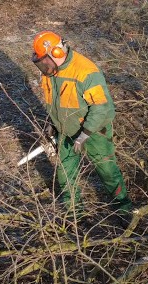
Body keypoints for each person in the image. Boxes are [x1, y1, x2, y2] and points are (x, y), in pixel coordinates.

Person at [31, 31, 134, 216]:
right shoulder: (50, 72)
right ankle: (74, 214)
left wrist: (85, 133)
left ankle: (124, 208)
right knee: (65, 173)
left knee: (107, 170)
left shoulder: (86, 71)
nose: (43, 66)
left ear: (56, 53)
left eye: (45, 60)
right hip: (65, 130)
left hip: (94, 131)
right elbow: (54, 101)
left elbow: (101, 107)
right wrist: (53, 123)